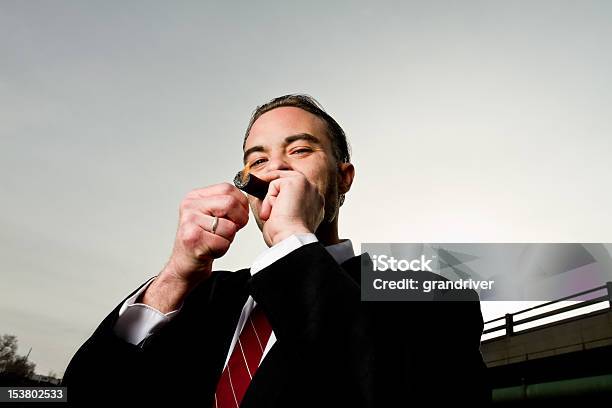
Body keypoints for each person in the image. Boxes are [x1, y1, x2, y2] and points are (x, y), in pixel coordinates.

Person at [63, 94, 490, 406]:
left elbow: (381, 389)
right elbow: (85, 394)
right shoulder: (205, 298)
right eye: (258, 160)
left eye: (300, 150)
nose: (277, 168)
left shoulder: (424, 292)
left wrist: (291, 237)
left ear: (344, 179)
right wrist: (176, 275)